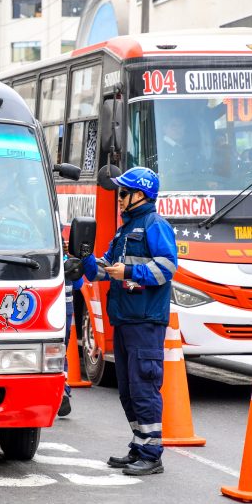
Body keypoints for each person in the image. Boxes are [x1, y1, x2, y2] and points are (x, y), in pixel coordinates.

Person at [81, 166, 177, 476]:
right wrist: (82, 256)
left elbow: (167, 268)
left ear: (140, 195)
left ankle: (152, 454)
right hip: (124, 320)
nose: (118, 198)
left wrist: (132, 273)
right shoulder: (123, 231)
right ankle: (139, 445)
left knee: (144, 386)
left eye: (123, 193)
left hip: (145, 321)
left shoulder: (155, 225)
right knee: (128, 390)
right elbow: (101, 270)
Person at [58, 238, 83, 417]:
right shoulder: (64, 260)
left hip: (52, 312)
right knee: (61, 352)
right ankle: (62, 391)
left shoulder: (61, 260)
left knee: (57, 353)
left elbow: (79, 283)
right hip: (62, 313)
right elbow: (79, 284)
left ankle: (61, 392)